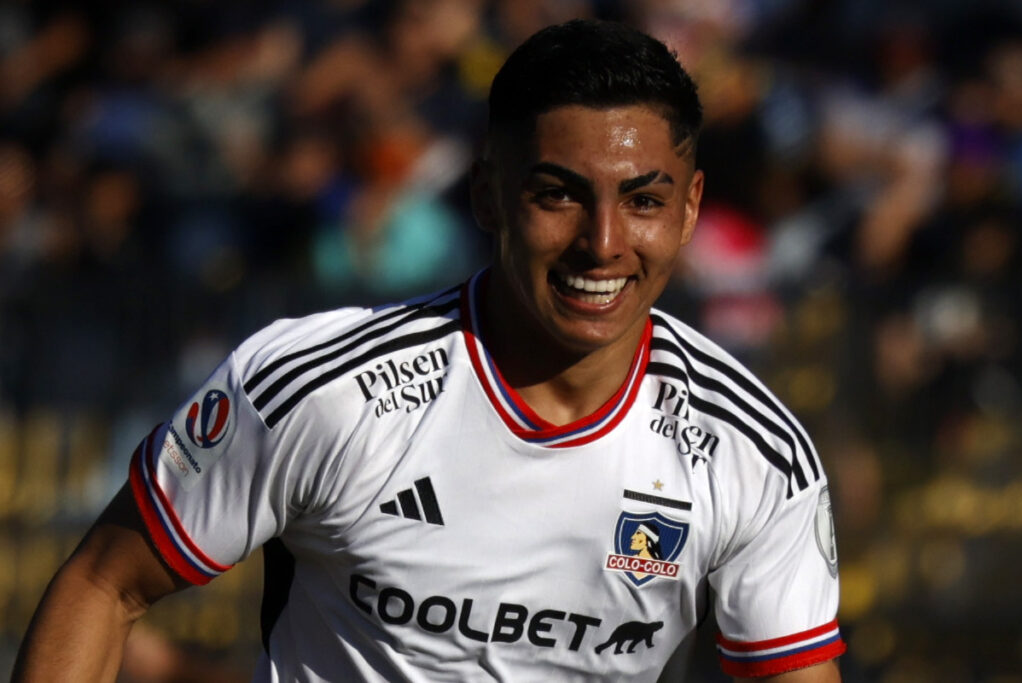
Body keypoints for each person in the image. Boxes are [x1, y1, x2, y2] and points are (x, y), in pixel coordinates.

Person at [14, 19, 845, 682]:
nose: (602, 242)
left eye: (642, 199)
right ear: (487, 191)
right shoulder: (325, 390)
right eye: (556, 193)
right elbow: (103, 581)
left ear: (691, 207)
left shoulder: (752, 453)